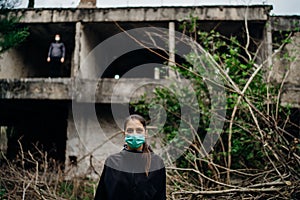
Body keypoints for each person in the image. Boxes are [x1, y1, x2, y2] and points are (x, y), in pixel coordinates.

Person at [94, 114, 166, 200]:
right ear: (124, 134)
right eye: (130, 131)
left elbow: (160, 196)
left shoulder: (156, 163)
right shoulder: (112, 162)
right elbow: (102, 196)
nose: (134, 135)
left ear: (145, 133)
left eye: (139, 130)